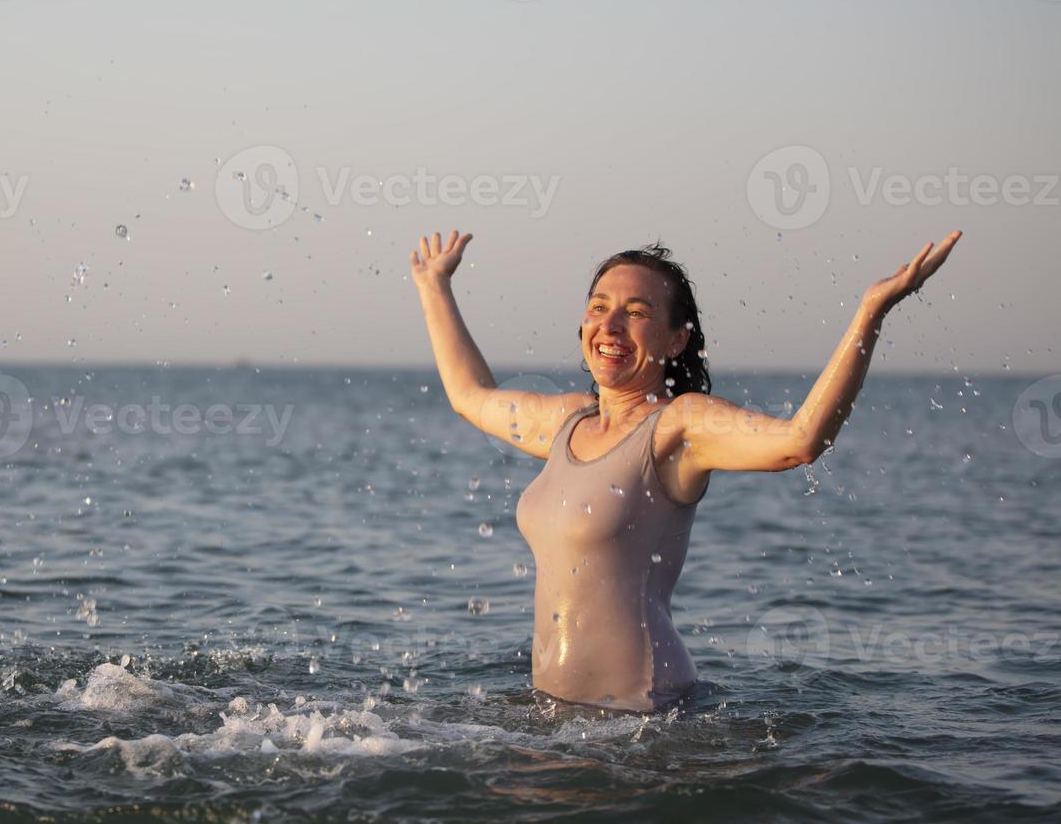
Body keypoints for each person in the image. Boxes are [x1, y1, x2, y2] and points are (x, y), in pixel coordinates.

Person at [410, 230, 962, 711]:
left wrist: (871, 312)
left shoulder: (679, 427)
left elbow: (799, 442)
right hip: (561, 717)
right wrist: (434, 287)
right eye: (599, 306)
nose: (611, 325)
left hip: (647, 716)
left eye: (637, 312)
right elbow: (469, 396)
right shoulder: (566, 422)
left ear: (677, 339)